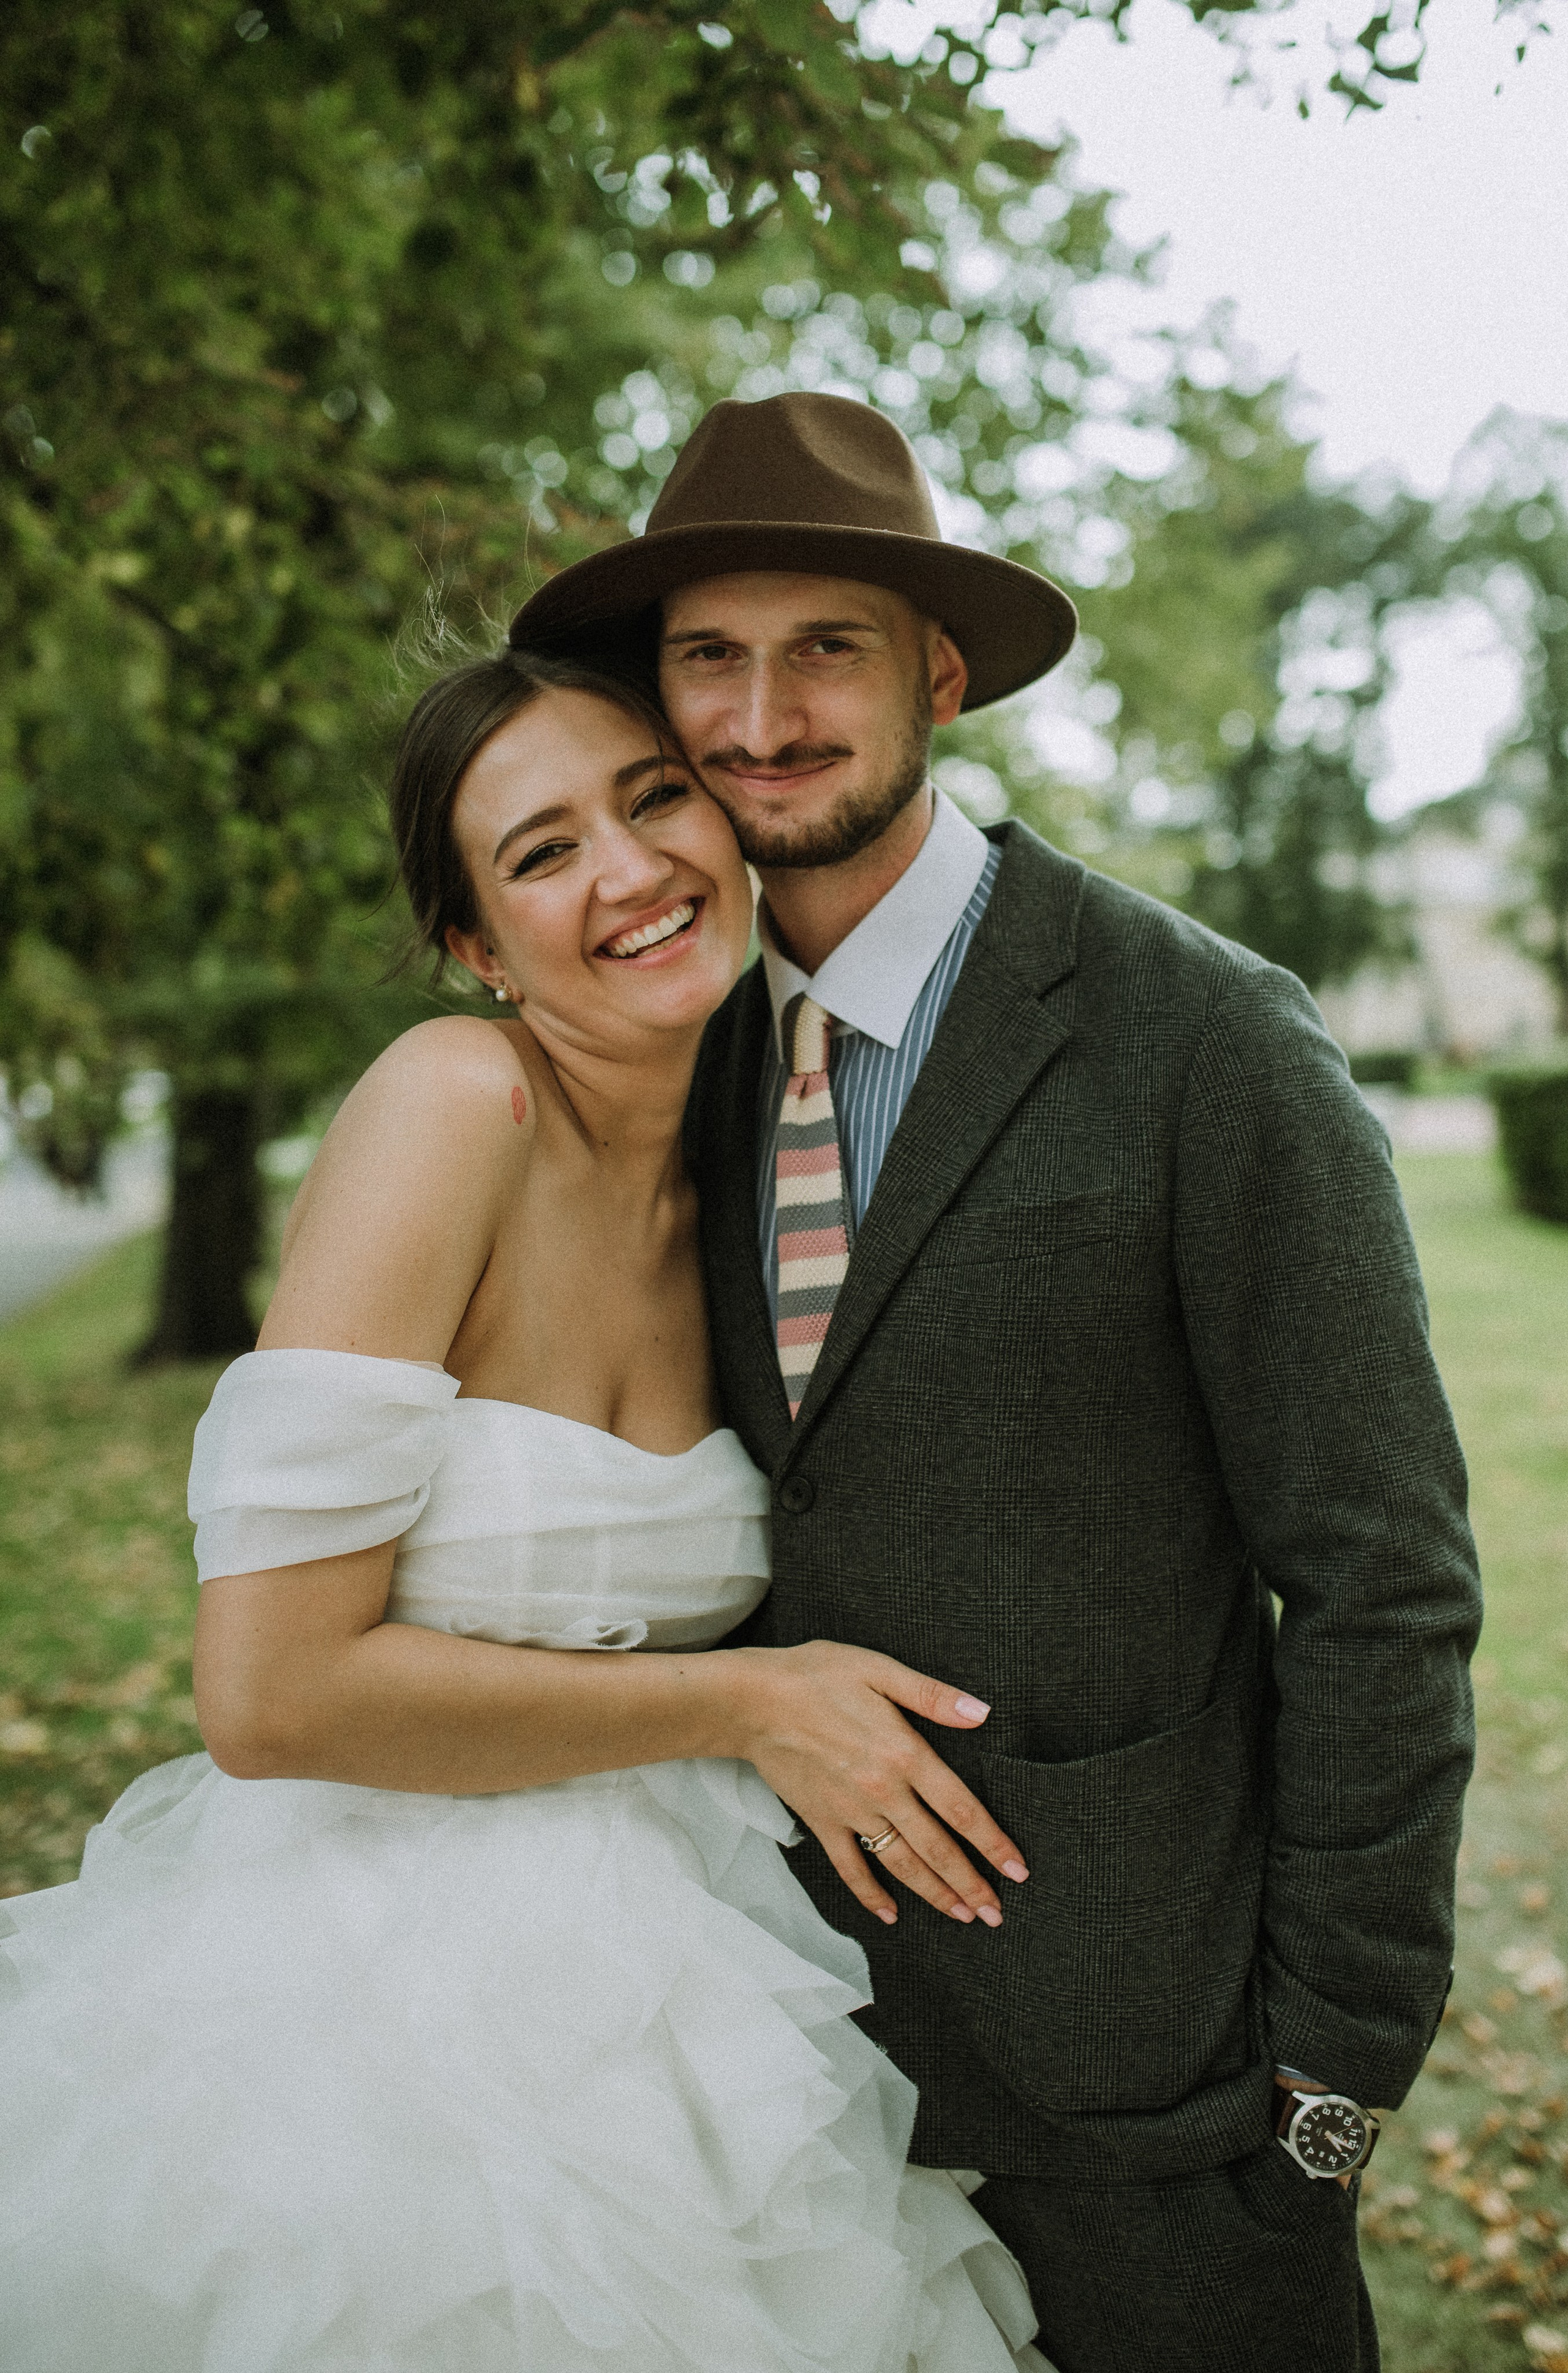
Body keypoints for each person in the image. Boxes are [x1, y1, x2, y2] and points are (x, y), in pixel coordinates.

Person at [507, 389, 1484, 2372]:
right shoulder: (654, 1054)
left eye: (825, 650)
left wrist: (1325, 2091)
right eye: (711, 654)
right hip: (764, 2085)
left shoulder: (1205, 1040)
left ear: (939, 673)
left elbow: (1386, 1583)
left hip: (1159, 2100)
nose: (762, 714)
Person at [0, 652, 1052, 2369]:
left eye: (653, 798)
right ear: (480, 948)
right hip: (379, 2020)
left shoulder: (756, 1160)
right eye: (543, 851)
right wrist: (749, 1698)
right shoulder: (453, 1103)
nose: (632, 871)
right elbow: (266, 1695)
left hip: (699, 1980)